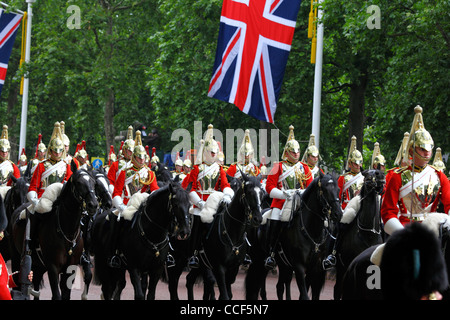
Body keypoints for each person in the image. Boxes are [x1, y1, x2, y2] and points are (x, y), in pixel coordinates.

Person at [381, 106, 450, 235]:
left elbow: (449, 203)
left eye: (429, 149)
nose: (427, 153)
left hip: (432, 230)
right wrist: (403, 234)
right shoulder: (397, 176)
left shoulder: (439, 175)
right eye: (422, 149)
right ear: (412, 150)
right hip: (404, 230)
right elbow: (388, 211)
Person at [181, 124, 234, 268]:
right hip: (201, 203)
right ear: (205, 152)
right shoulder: (197, 168)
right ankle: (194, 254)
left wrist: (227, 196)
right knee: (196, 225)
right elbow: (189, 187)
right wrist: (198, 203)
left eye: (215, 152)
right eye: (211, 152)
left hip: (216, 203)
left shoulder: (220, 169)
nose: (213, 155)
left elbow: (225, 185)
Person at [264, 125, 313, 270]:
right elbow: (269, 187)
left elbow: (309, 187)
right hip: (281, 202)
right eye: (293, 151)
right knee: (275, 217)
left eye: (298, 151)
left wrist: (300, 193)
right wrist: (283, 194)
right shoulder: (277, 166)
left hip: (299, 202)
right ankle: (271, 254)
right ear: (287, 152)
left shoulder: (305, 168)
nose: (296, 154)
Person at [108, 131, 160, 268]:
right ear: (134, 157)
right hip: (126, 205)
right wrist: (121, 207)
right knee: (116, 223)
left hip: (143, 206)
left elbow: (154, 191)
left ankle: (164, 251)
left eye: (144, 158)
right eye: (139, 157)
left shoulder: (150, 173)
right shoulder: (125, 172)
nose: (142, 160)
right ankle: (115, 253)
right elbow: (117, 192)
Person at [27, 122, 73, 249]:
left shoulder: (67, 166)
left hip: (60, 200)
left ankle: (80, 250)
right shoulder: (41, 166)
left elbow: (69, 186)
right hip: (43, 200)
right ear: (50, 150)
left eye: (60, 151)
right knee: (34, 218)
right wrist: (35, 202)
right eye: (54, 151)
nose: (57, 153)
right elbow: (33, 187)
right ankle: (31, 245)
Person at [338, 136, 364, 210]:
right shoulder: (343, 178)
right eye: (356, 163)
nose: (358, 166)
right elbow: (338, 196)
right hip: (347, 208)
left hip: (361, 207)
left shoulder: (364, 177)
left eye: (360, 163)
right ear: (350, 163)